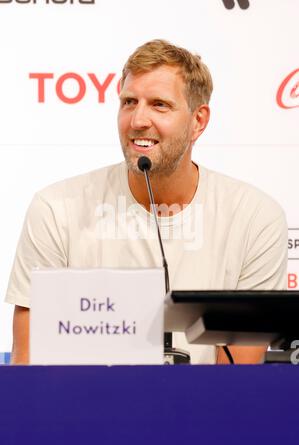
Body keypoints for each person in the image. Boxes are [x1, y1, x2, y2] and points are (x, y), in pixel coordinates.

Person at [5, 39, 288, 365]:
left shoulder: (254, 218)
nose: (137, 120)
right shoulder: (56, 209)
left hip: (199, 413)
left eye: (159, 105)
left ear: (198, 121)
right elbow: (28, 370)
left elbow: (236, 384)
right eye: (128, 102)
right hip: (83, 411)